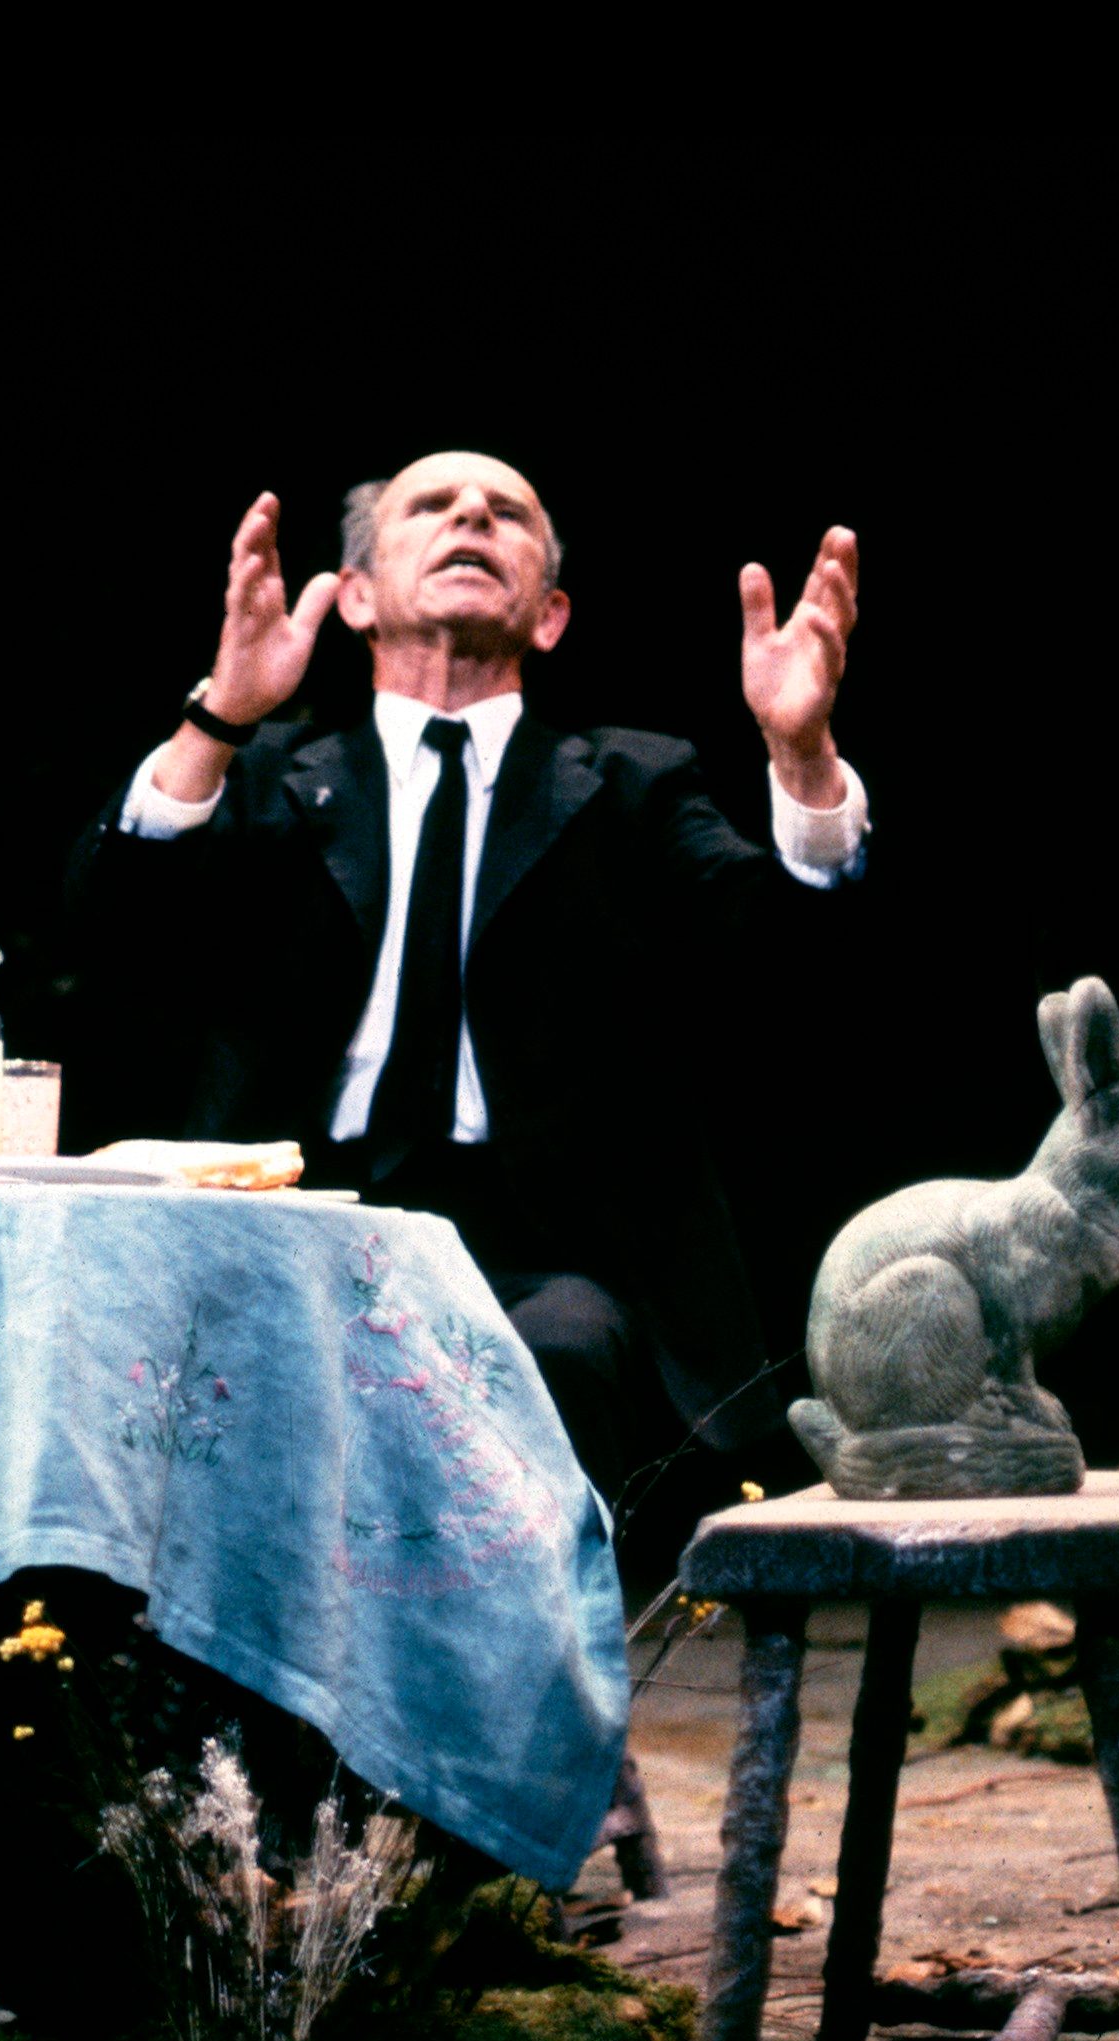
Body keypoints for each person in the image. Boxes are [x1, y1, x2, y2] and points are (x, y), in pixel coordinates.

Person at [70, 451, 869, 1570]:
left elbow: (792, 966)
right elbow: (110, 942)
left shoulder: (631, 784)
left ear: (549, 616)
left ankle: (537, 1671)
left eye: (505, 512)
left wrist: (800, 752)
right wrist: (219, 717)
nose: (471, 517)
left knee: (561, 1350)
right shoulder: (262, 775)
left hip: (541, 1250)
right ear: (355, 597)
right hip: (290, 1220)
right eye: (433, 505)